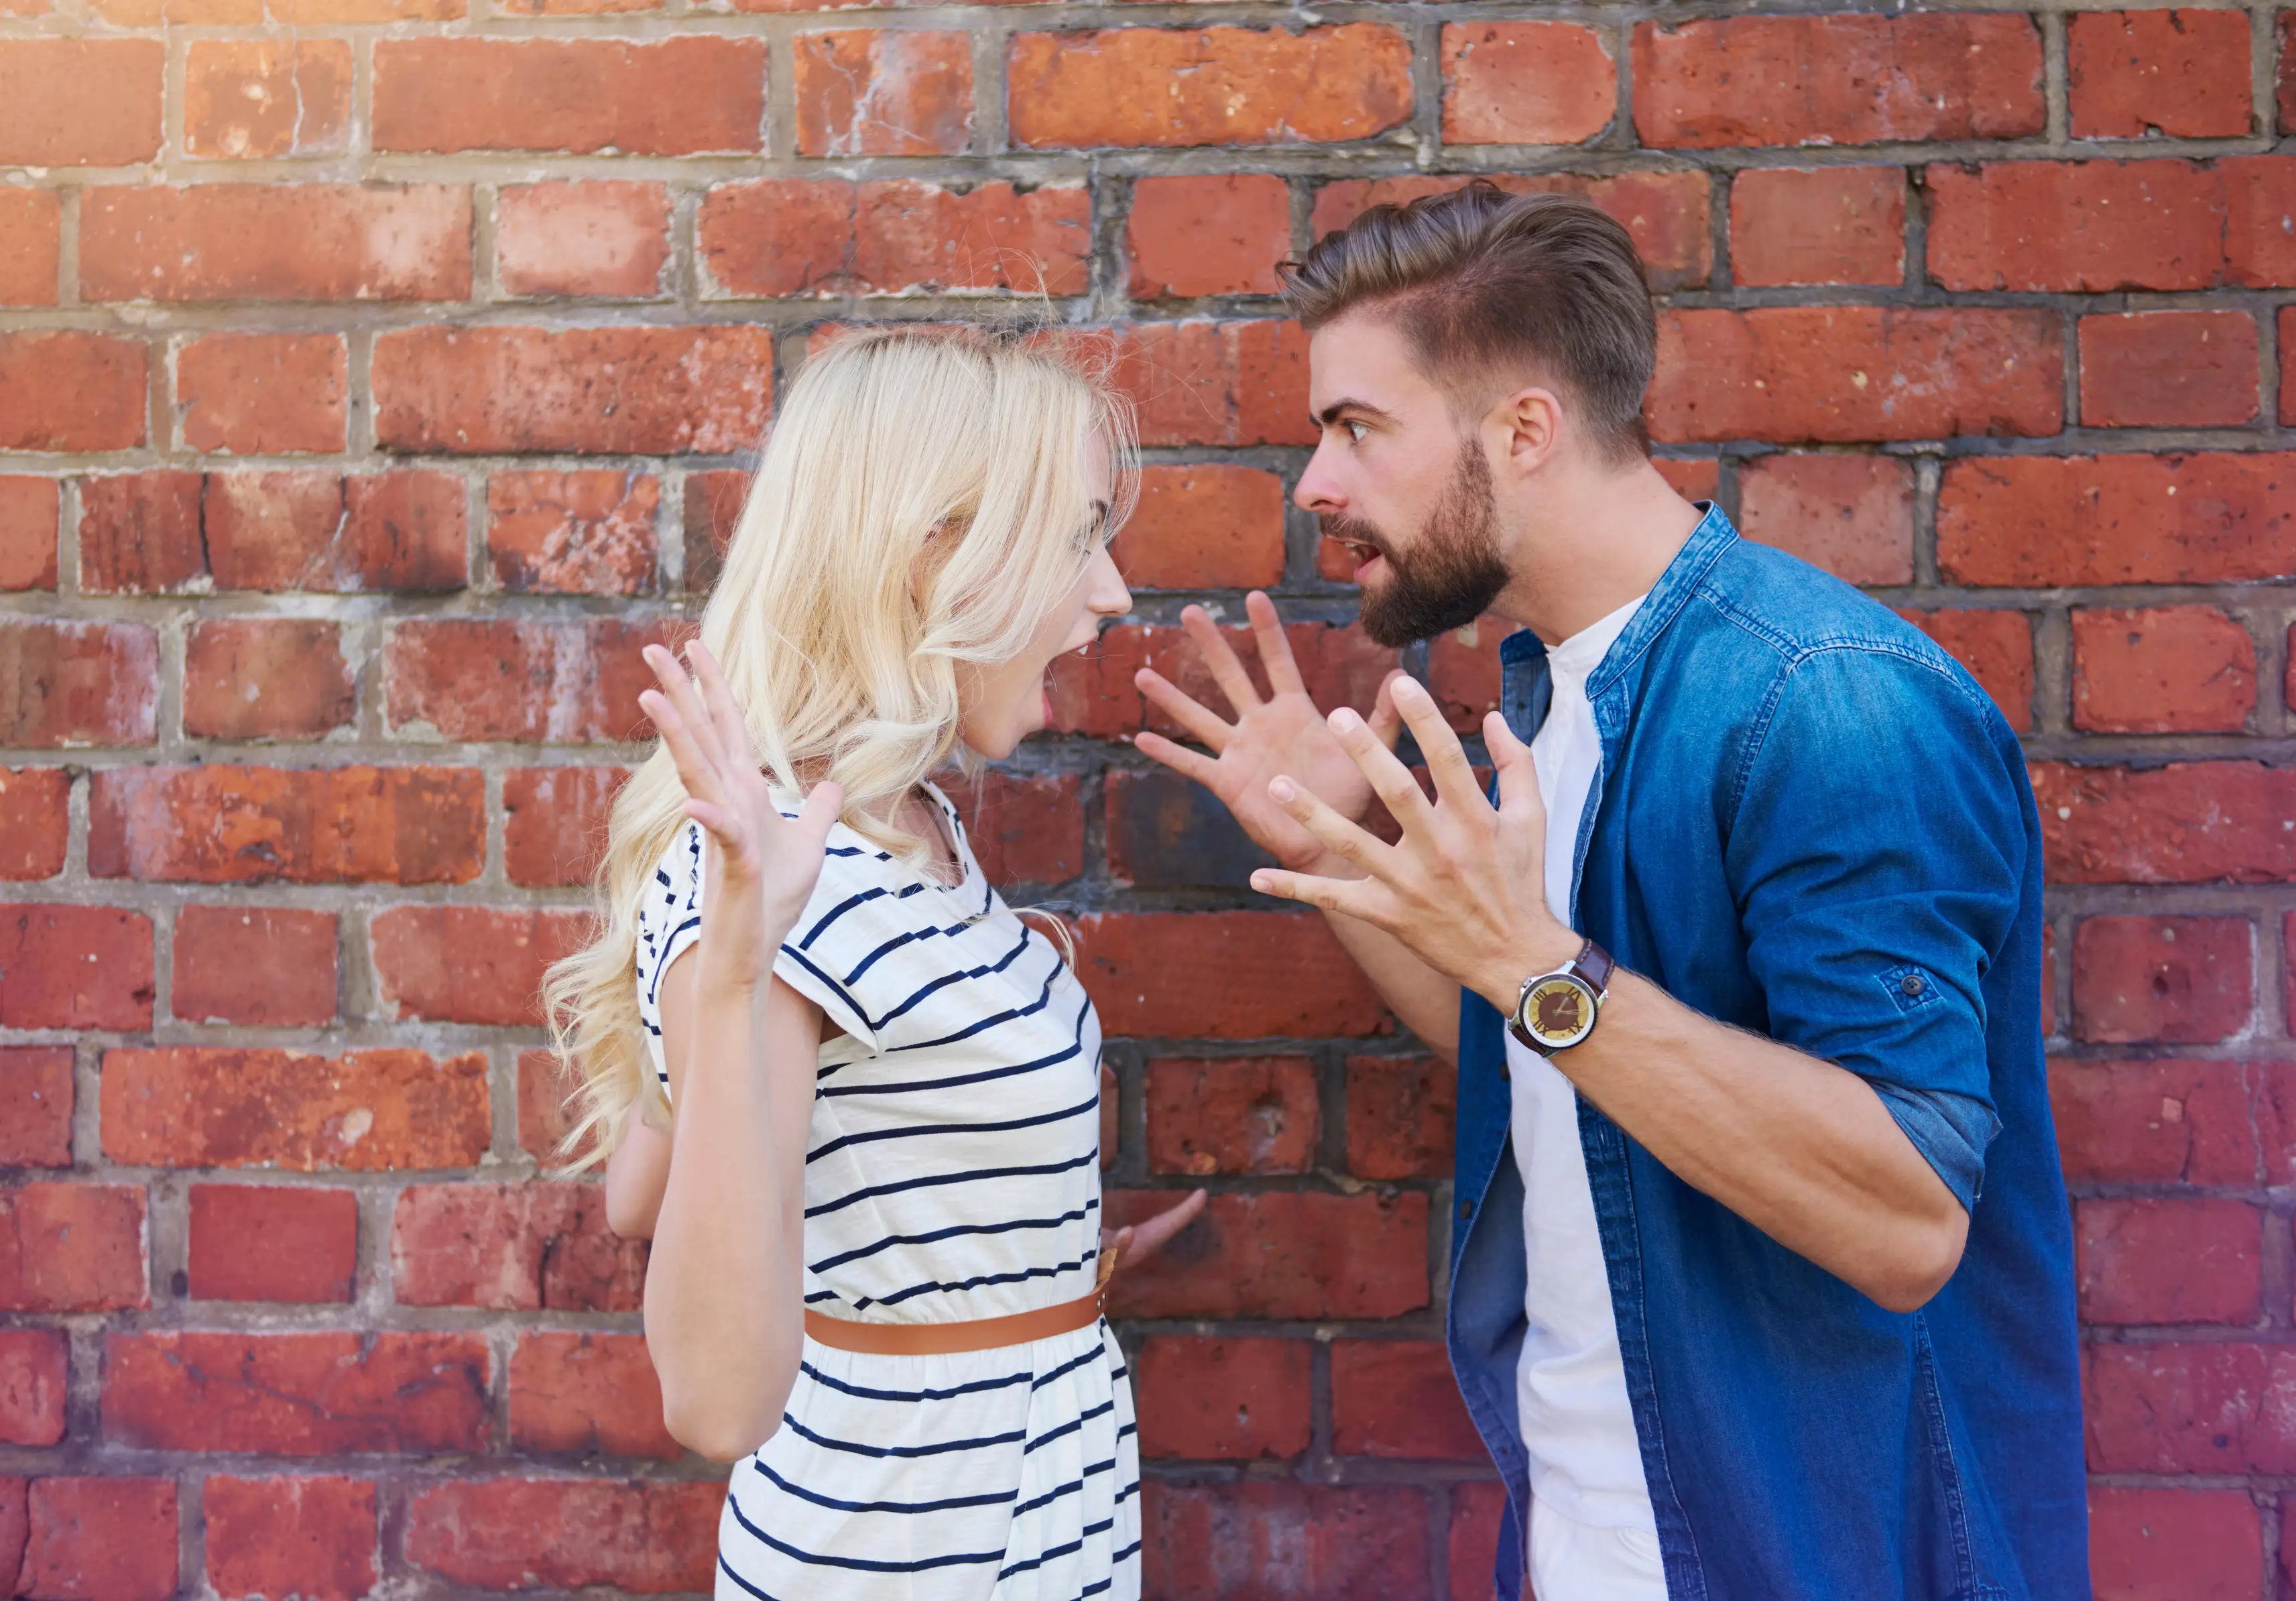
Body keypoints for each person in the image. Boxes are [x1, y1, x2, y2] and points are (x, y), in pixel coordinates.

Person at [1133, 184, 2086, 1600]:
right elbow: (1542, 1064)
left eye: (1356, 427)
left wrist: (1538, 971)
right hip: (1599, 1536)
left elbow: (1905, 1220)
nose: (1315, 487)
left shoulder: (1823, 705)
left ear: (1524, 431)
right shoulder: (1556, 706)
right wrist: (1338, 859)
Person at [546, 328, 1203, 1601]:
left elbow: (651, 1181)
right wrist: (728, 981)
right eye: (1074, 536)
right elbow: (717, 1401)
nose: (1112, 590)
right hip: (906, 1550)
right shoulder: (780, 879)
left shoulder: (905, 831)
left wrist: (1013, 1244)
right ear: (930, 553)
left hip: (1007, 1515)